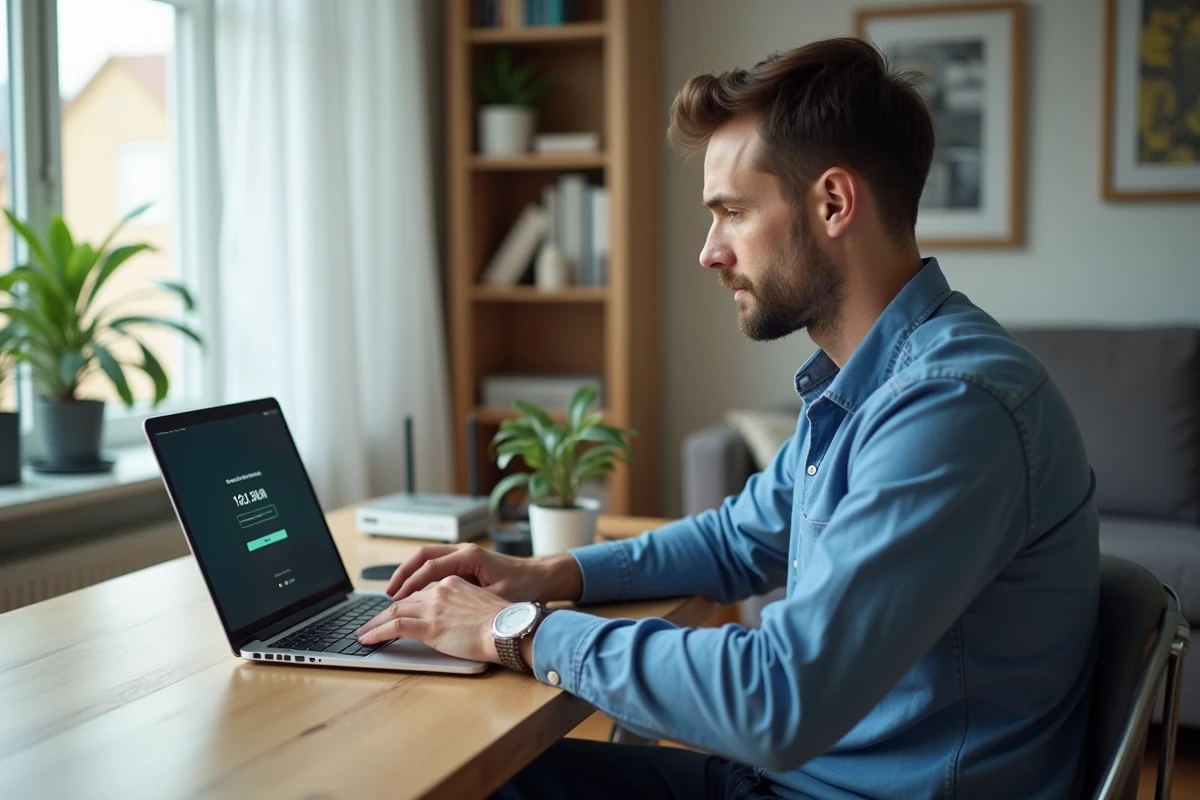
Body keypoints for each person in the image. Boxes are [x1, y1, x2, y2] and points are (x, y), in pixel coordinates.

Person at [356, 37, 1099, 800]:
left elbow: (779, 697)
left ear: (834, 204)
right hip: (806, 781)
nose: (710, 252)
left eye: (733, 213)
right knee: (475, 772)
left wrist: (513, 628)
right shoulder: (871, 382)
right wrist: (551, 574)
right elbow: (737, 538)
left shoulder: (949, 406)